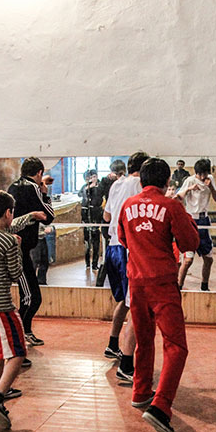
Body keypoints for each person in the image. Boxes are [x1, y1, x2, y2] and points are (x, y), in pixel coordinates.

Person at [118, 157, 200, 432]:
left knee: (144, 339)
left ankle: (140, 391)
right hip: (162, 282)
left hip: (136, 282)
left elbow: (123, 239)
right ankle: (161, 407)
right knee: (176, 346)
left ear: (141, 180)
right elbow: (190, 243)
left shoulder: (128, 205)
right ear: (167, 182)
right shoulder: (170, 205)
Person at [0, 189, 47, 427]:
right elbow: (16, 273)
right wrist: (17, 247)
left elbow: (8, 227)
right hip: (0, 306)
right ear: (7, 212)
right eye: (12, 214)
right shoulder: (7, 240)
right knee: (17, 353)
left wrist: (31, 216)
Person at [102, 152, 147, 383]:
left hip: (112, 247)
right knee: (135, 303)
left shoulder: (116, 184)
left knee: (125, 300)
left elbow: (106, 214)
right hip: (127, 248)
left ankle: (112, 343)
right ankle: (128, 362)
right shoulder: (140, 184)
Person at [8, 157, 56, 347]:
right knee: (31, 297)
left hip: (19, 248)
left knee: (28, 295)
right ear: (38, 173)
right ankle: (18, 337)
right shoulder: (32, 188)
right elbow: (48, 217)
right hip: (19, 250)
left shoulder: (13, 187)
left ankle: (24, 332)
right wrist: (45, 193)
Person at [176, 158, 216, 291]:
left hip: (204, 219)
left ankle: (204, 286)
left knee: (208, 259)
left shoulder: (210, 179)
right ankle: (179, 286)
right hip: (191, 220)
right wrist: (189, 188)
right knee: (188, 260)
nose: (202, 177)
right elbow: (178, 197)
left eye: (204, 174)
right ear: (196, 173)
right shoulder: (189, 180)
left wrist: (210, 185)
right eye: (199, 174)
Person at [95, 159, 126, 288]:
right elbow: (97, 201)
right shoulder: (107, 182)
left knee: (110, 255)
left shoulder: (122, 184)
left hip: (116, 226)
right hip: (112, 225)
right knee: (109, 255)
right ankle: (100, 282)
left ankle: (100, 283)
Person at [80, 169, 102, 271]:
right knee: (87, 244)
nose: (92, 179)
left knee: (96, 243)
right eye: (89, 178)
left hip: (96, 218)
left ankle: (95, 264)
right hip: (86, 219)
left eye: (94, 176)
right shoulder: (85, 188)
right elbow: (81, 195)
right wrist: (89, 187)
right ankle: (87, 263)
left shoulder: (100, 186)